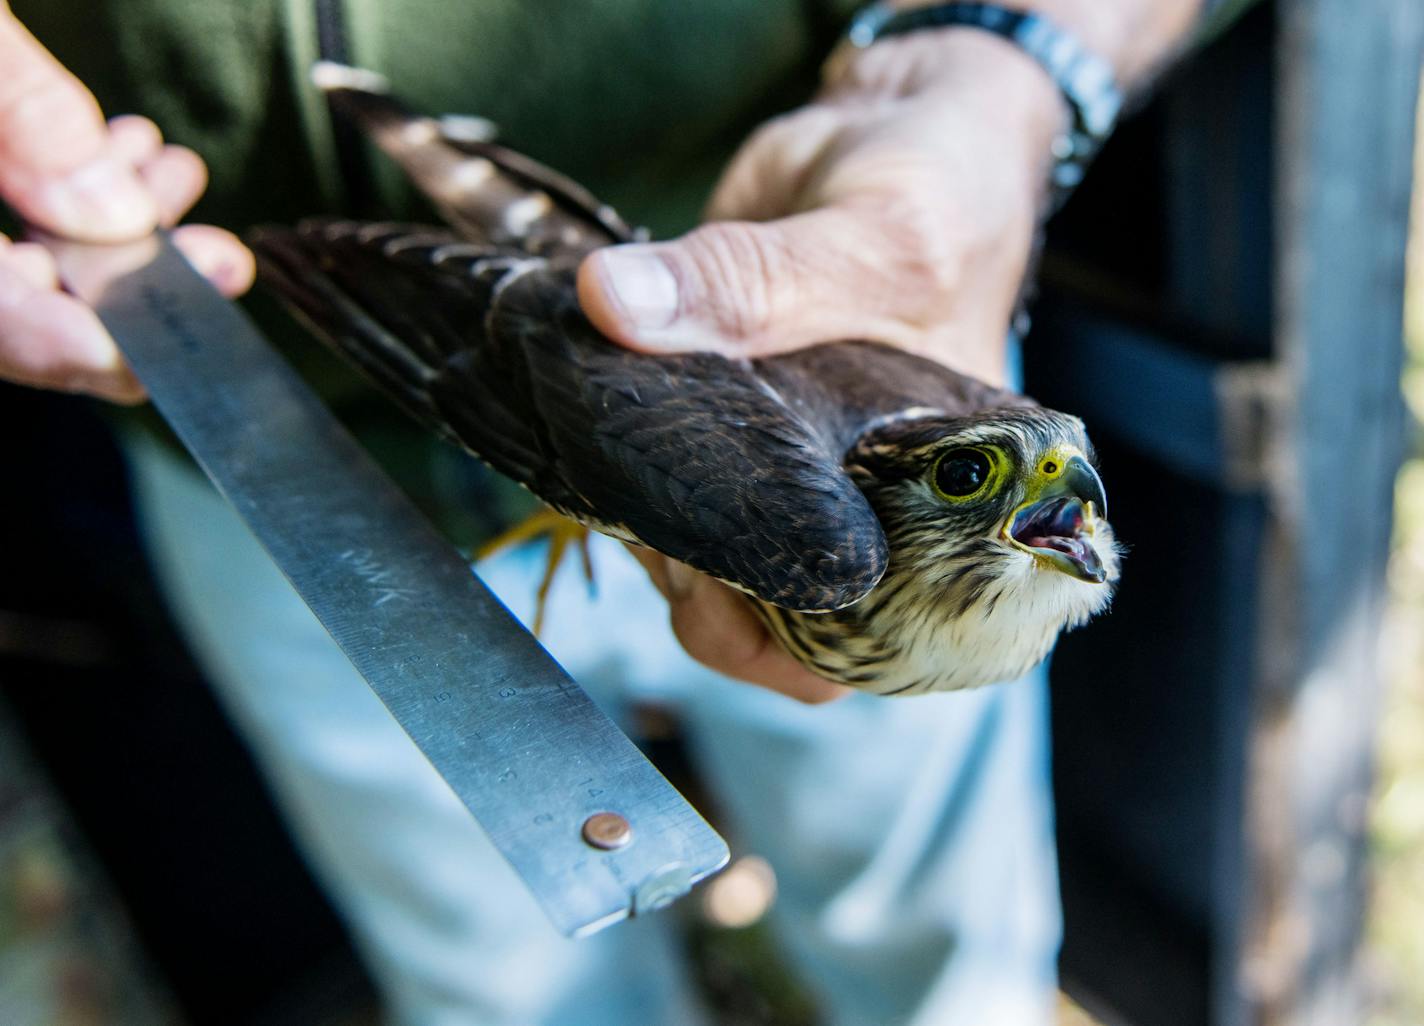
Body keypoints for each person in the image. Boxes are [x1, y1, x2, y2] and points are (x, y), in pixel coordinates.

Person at [0, 1, 1229, 1022]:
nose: (1067, 499)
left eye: (1064, 492)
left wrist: (1001, 58)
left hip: (817, 238)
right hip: (280, 442)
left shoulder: (913, 560)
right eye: (994, 478)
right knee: (510, 979)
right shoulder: (834, 539)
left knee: (938, 942)